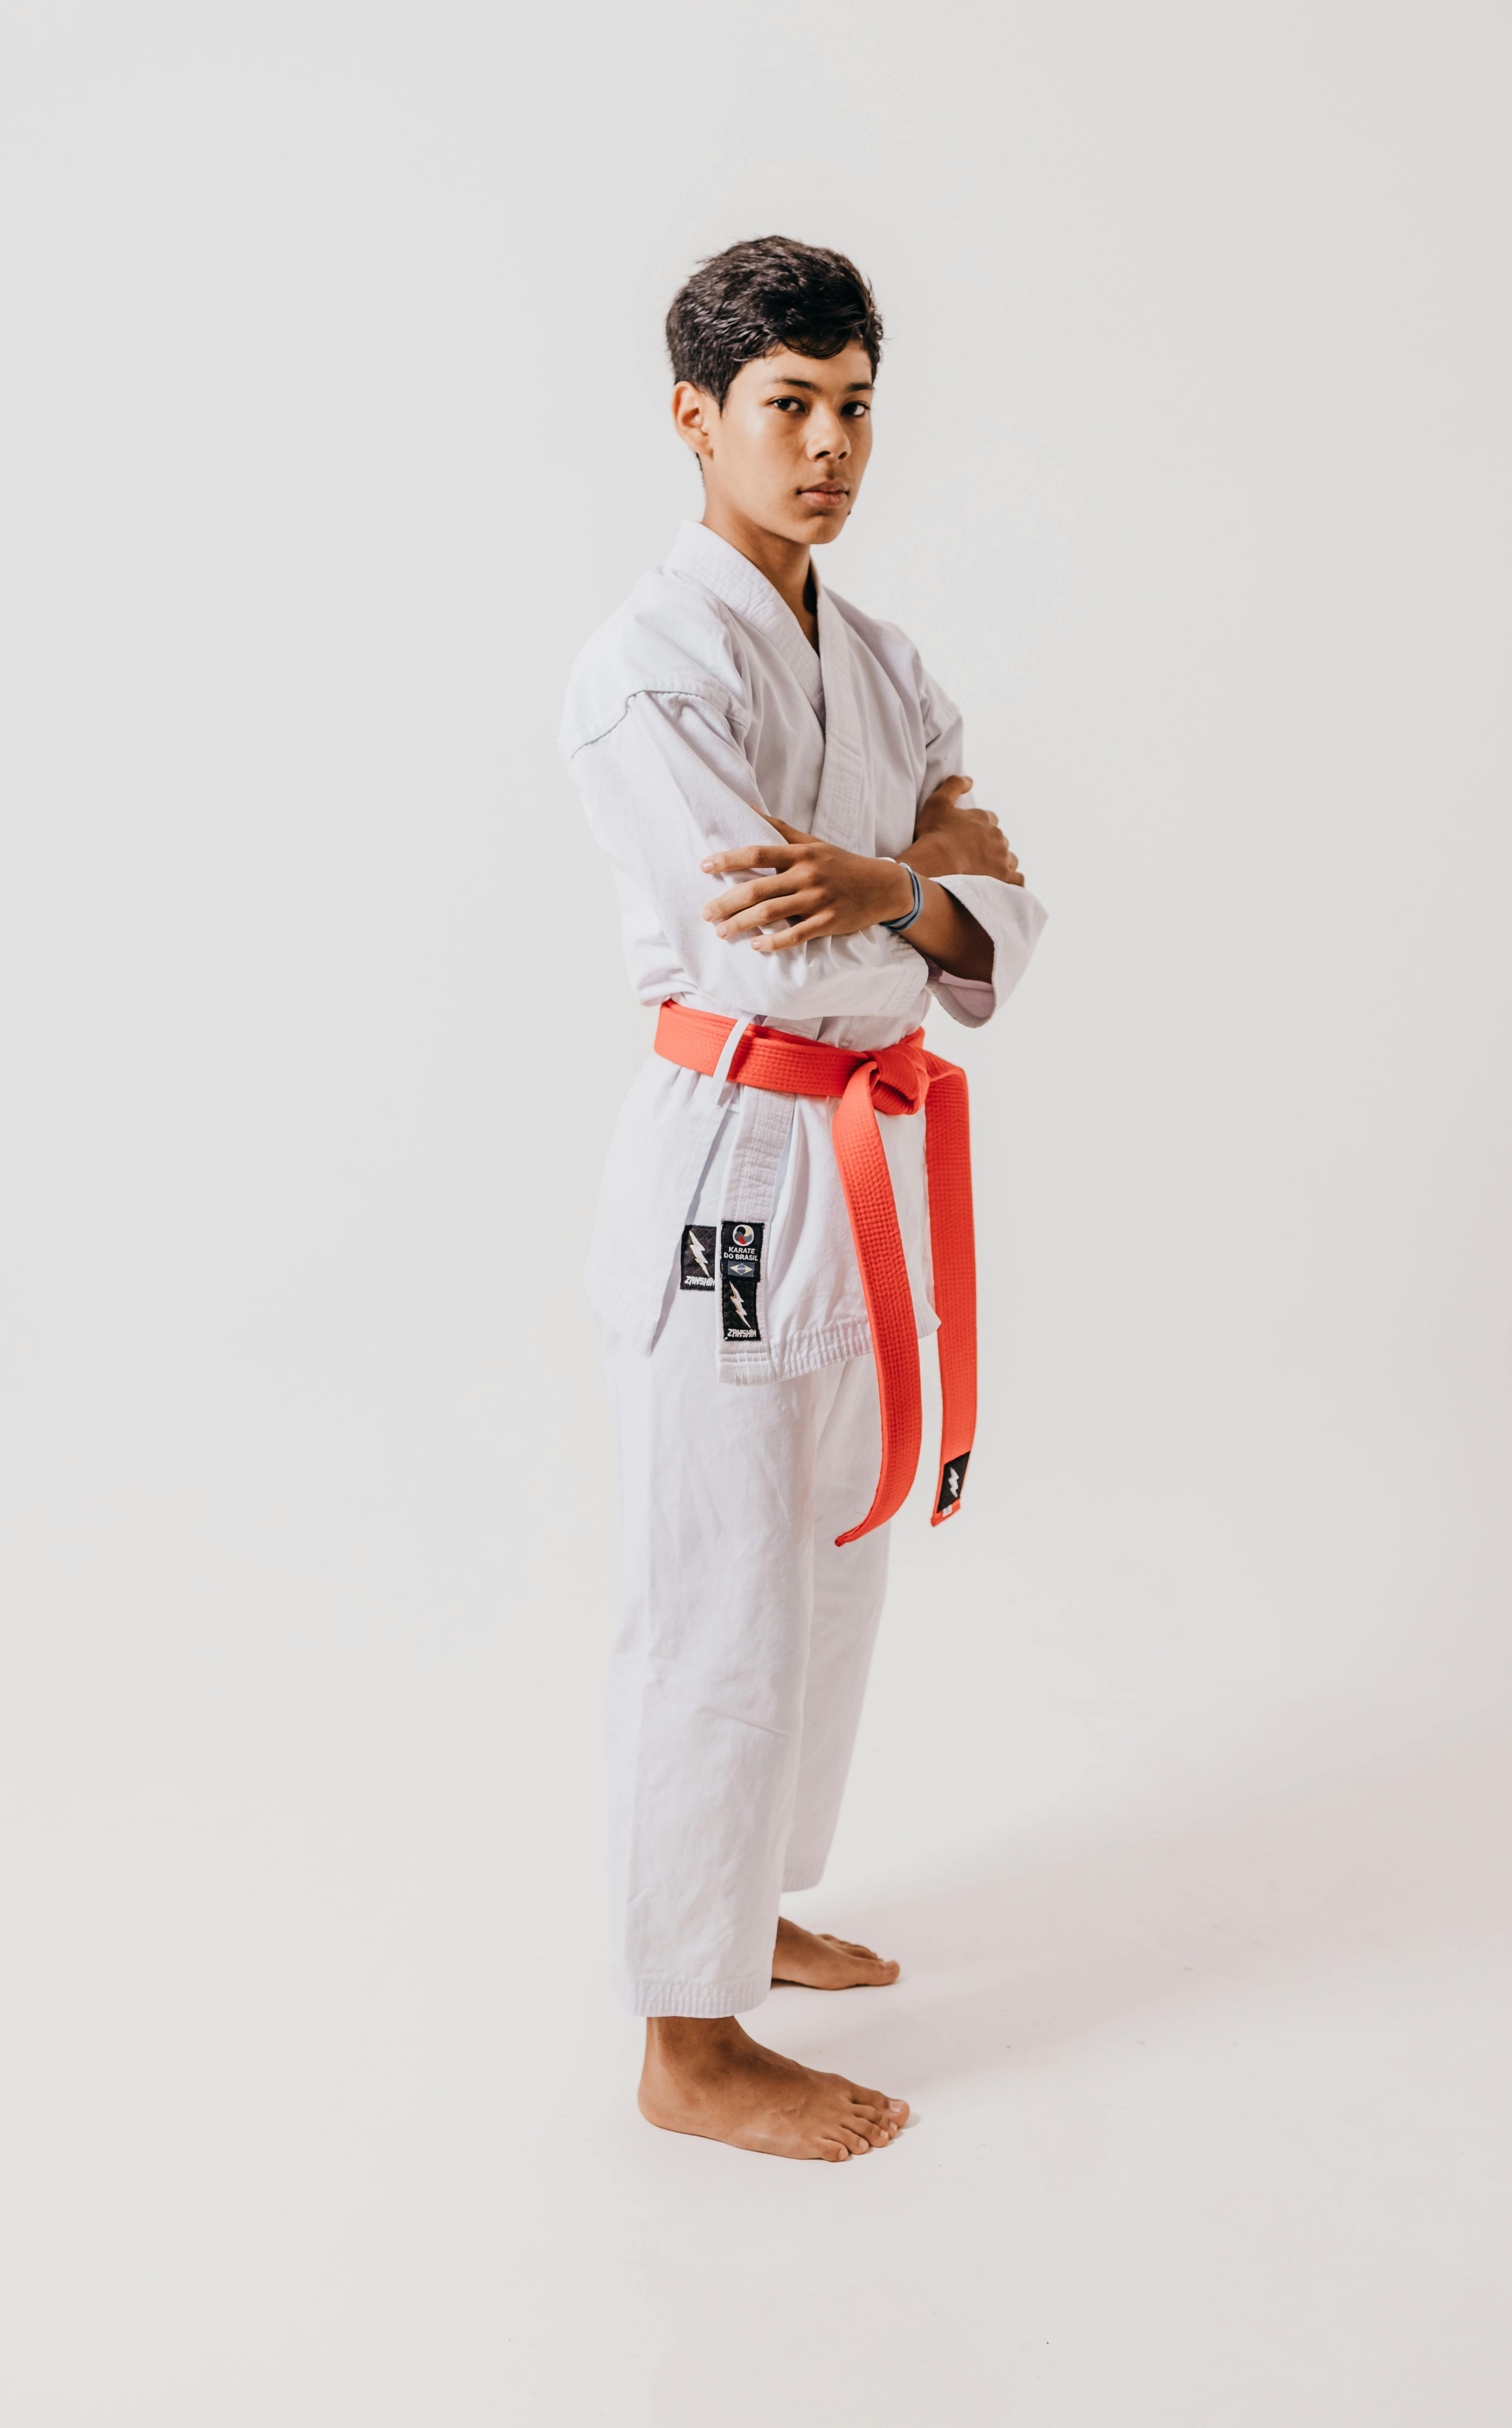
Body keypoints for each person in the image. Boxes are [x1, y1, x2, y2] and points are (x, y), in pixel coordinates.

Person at [558, 236, 1046, 2162]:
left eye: (855, 405)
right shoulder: (642, 669)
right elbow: (765, 951)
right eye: (789, 406)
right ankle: (685, 2034)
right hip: (734, 1164)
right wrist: (904, 875)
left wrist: (902, 887)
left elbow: (1006, 900)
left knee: (835, 1553)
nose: (831, 442)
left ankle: (745, 1898)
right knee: (716, 1596)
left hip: (870, 1164)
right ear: (695, 418)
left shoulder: (883, 651)